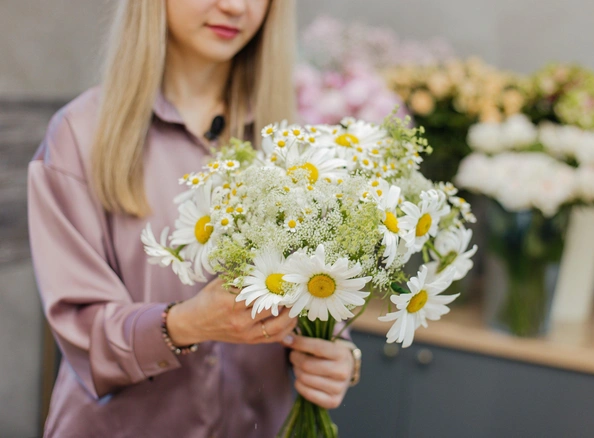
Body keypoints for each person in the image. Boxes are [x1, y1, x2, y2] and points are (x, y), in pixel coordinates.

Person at [28, 1, 358, 436]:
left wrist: (339, 358)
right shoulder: (78, 135)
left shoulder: (298, 148)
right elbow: (79, 333)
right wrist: (186, 323)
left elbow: (318, 297)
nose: (234, 6)